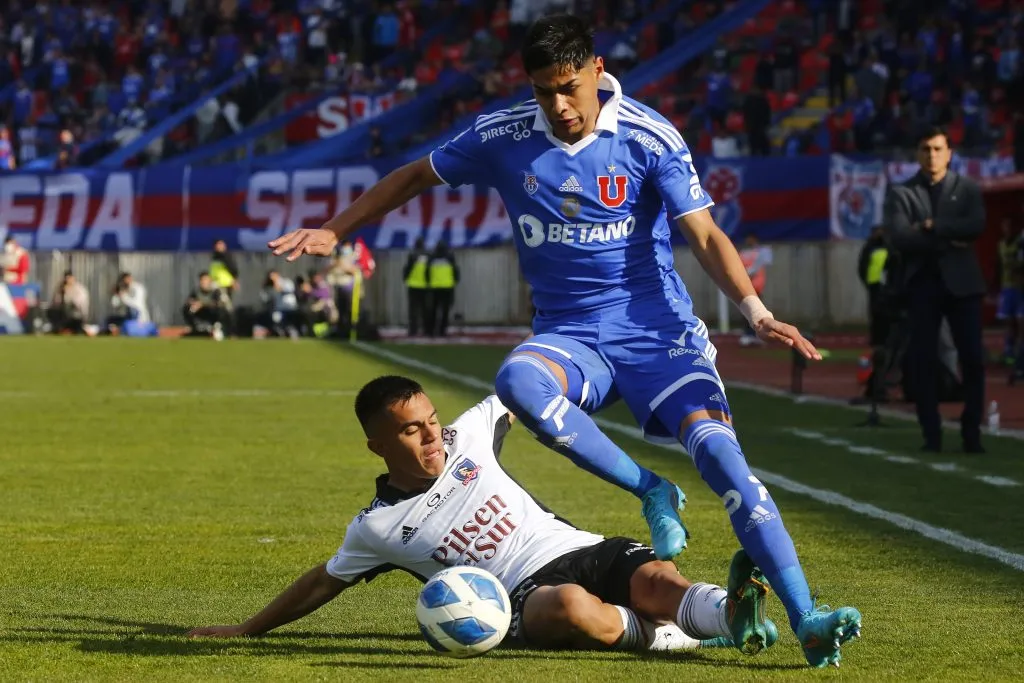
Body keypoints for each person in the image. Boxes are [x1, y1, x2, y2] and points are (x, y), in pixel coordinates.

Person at [267, 15, 859, 668]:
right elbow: (411, 176)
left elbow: (707, 235)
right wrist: (334, 229)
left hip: (660, 339)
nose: (557, 104)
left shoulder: (647, 135)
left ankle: (807, 617)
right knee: (517, 381)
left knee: (728, 467)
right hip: (571, 338)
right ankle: (650, 488)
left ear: (597, 71)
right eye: (543, 90)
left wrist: (755, 310)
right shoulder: (503, 135)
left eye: (568, 87)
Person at [187, 376, 788, 655]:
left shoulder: (468, 434)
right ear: (377, 444)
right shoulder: (378, 528)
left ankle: (733, 616)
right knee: (574, 609)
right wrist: (244, 631)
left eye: (429, 420)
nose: (431, 437)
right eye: (410, 430)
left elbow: (525, 388)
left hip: (579, 545)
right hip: (526, 596)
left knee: (658, 576)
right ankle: (667, 638)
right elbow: (322, 582)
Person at [883, 126, 987, 454]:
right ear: (917, 153)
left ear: (950, 153)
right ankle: (932, 434)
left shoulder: (967, 188)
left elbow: (976, 226)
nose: (932, 155)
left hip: (963, 285)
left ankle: (972, 433)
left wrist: (932, 227)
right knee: (923, 361)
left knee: (973, 359)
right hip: (922, 285)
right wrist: (949, 239)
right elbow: (899, 236)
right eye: (926, 149)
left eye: (938, 149)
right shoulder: (901, 192)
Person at [996, 218, 1023, 365]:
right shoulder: (1000, 245)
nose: (1007, 229)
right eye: (1005, 226)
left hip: (1020, 289)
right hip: (1007, 289)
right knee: (1008, 323)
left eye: (1009, 226)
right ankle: (1009, 353)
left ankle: (1020, 354)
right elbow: (998, 267)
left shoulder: (1020, 243)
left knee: (1021, 323)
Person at [427, 240, 459, 337]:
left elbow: (427, 272)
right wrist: (455, 281)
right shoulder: (450, 257)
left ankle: (431, 331)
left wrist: (428, 282)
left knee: (433, 310)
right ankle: (442, 331)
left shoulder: (431, 258)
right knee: (445, 311)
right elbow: (456, 271)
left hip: (435, 287)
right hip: (447, 287)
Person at [403, 237, 430, 337]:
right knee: (425, 309)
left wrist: (405, 278)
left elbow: (407, 269)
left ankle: (413, 330)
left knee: (413, 310)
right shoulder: (428, 255)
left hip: (413, 285)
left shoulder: (412, 255)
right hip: (425, 286)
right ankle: (427, 330)